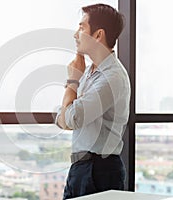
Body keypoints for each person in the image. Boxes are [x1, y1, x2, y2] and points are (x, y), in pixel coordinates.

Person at [55, 3, 131, 199]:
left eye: (81, 27)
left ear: (98, 35)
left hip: (99, 171)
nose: (75, 34)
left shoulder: (111, 78)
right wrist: (68, 112)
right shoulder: (90, 73)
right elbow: (62, 118)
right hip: (82, 169)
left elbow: (72, 118)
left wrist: (72, 82)